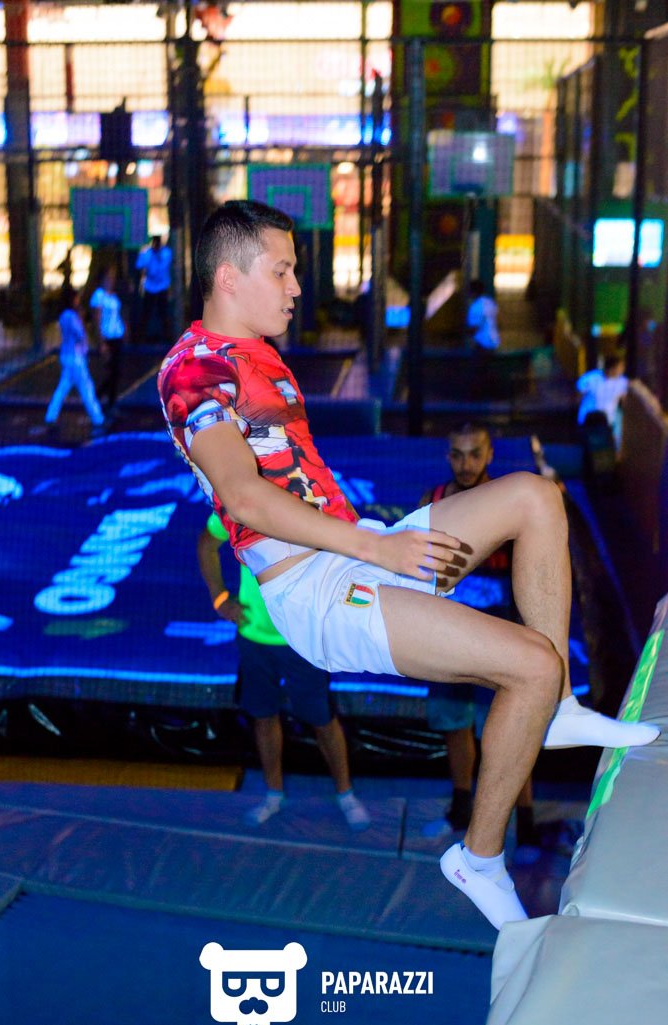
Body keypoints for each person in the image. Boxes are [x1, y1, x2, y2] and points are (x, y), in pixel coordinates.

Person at [157, 199, 659, 930]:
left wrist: (372, 542)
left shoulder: (256, 353)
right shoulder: (190, 371)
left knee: (535, 497)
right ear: (229, 277)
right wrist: (379, 548)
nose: (297, 287)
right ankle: (478, 858)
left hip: (354, 549)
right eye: (283, 271)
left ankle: (555, 714)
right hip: (317, 592)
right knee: (530, 664)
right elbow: (242, 496)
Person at [198, 511, 370, 831]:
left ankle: (345, 794)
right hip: (254, 636)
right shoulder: (237, 507)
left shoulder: (306, 502)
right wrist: (220, 598)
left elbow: (348, 553)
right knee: (264, 717)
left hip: (301, 637)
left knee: (321, 718)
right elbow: (207, 544)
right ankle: (273, 794)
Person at [419, 423, 536, 850]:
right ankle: (460, 808)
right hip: (446, 635)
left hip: (500, 637)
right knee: (455, 725)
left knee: (509, 733)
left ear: (489, 455)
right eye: (457, 454)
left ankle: (526, 825)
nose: (465, 464)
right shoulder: (432, 500)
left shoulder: (510, 503)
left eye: (474, 454)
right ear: (447, 456)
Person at [44, 288, 105, 436]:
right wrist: (81, 319)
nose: (78, 301)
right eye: (76, 298)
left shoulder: (63, 315)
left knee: (63, 387)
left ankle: (50, 416)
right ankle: (98, 419)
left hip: (67, 356)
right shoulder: (71, 316)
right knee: (86, 388)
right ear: (72, 300)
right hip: (75, 358)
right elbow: (79, 334)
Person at [90, 266, 125, 412]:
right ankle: (102, 398)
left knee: (116, 371)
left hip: (117, 335)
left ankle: (109, 400)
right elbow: (96, 319)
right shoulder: (99, 295)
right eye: (108, 278)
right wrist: (101, 341)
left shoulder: (113, 295)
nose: (111, 280)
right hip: (107, 336)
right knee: (112, 370)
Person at [577, 351, 628, 449]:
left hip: (608, 421)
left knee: (606, 448)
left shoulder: (623, 382)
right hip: (588, 420)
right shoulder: (591, 378)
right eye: (620, 367)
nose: (622, 370)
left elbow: (624, 400)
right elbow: (579, 394)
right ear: (612, 368)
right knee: (589, 447)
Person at [136, 234, 172, 343]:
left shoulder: (166, 253)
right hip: (150, 287)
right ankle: (141, 339)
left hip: (162, 287)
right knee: (146, 313)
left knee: (163, 314)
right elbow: (139, 266)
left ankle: (167, 338)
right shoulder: (146, 253)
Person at [466, 278, 500, 354]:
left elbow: (474, 327)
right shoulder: (490, 302)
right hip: (494, 342)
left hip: (482, 344)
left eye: (469, 290)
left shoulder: (476, 306)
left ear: (474, 292)